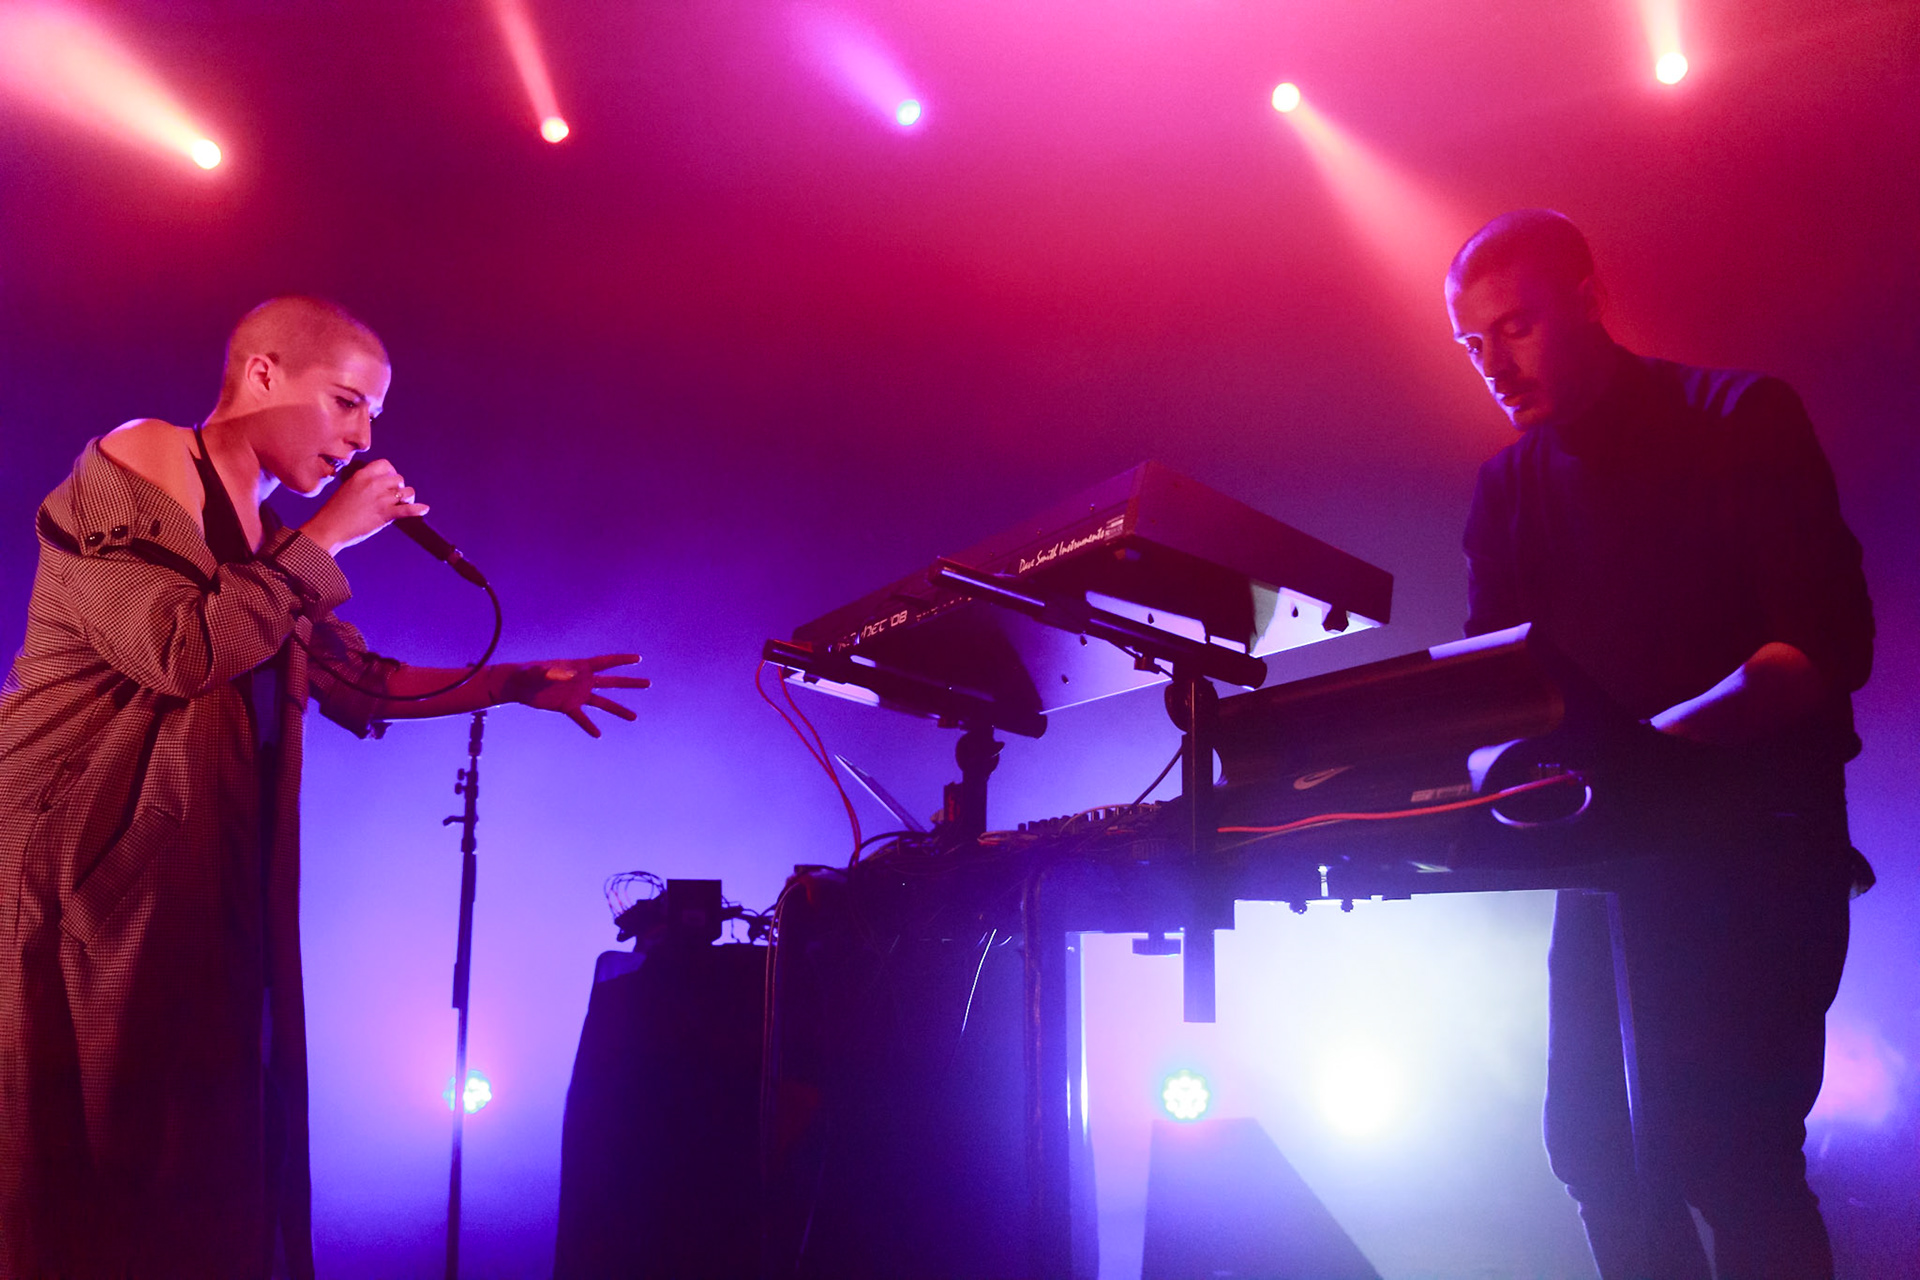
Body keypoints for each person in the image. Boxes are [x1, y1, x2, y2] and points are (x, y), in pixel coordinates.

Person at [0, 297, 649, 1279]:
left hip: (178, 887)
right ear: (261, 373)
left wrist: (511, 684)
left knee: (191, 1173)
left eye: (375, 414)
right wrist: (327, 540)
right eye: (346, 401)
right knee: (77, 1176)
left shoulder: (264, 545)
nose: (362, 436)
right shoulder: (144, 453)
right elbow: (179, 647)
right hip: (65, 875)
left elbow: (352, 676)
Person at [1447, 210, 1873, 1278]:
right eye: (1472, 343)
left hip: (1757, 850)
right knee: (1592, 1148)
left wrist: (1635, 754)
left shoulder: (1739, 417)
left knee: (1730, 1158)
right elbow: (1492, 691)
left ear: (1589, 299)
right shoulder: (1507, 487)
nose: (1495, 364)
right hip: (1609, 867)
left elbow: (1818, 647)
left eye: (1518, 326)